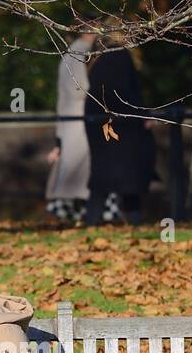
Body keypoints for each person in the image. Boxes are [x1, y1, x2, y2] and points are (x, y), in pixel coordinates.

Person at [83, 30, 156, 225]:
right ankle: (134, 221)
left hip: (100, 122)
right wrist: (142, 115)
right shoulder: (119, 56)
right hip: (122, 126)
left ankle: (93, 221)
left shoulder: (97, 56)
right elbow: (125, 92)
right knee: (128, 177)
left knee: (102, 179)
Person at [45, 31, 95, 223]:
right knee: (79, 172)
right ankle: (76, 214)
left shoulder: (70, 53)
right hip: (80, 118)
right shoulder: (80, 53)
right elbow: (81, 87)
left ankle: (71, 214)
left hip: (70, 119)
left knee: (72, 169)